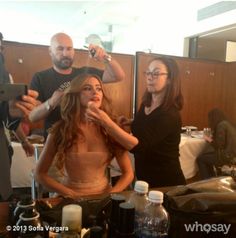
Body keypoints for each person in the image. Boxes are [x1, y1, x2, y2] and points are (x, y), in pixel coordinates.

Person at [86, 56, 186, 188]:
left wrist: (106, 122)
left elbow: (138, 146)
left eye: (156, 73)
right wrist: (131, 123)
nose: (150, 77)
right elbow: (148, 126)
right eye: (148, 73)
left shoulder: (170, 114)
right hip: (144, 177)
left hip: (166, 182)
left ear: (169, 79)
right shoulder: (147, 104)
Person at [35, 74, 134, 198]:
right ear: (75, 94)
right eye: (87, 88)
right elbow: (40, 174)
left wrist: (111, 194)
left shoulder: (110, 129)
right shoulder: (61, 130)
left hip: (104, 198)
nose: (95, 92)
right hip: (70, 197)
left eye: (99, 89)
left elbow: (128, 173)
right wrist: (71, 194)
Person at [29, 32, 125, 139]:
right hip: (55, 141)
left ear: (73, 51)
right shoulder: (40, 78)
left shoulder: (85, 73)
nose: (65, 53)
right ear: (50, 51)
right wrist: (51, 103)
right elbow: (32, 116)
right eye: (60, 49)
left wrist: (104, 57)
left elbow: (118, 76)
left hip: (85, 140)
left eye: (69, 49)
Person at [197, 108, 236, 179]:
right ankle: (211, 179)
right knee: (207, 157)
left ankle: (206, 182)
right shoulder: (229, 124)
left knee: (200, 158)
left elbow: (219, 145)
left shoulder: (221, 125)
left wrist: (208, 139)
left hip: (226, 156)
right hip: (233, 155)